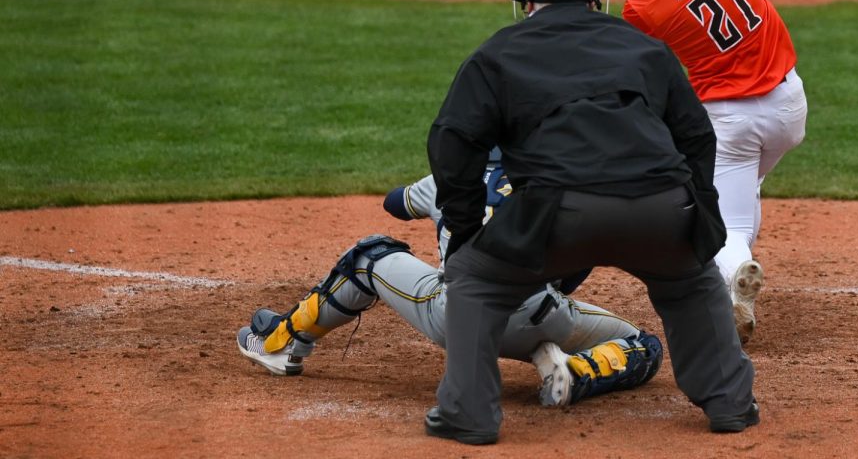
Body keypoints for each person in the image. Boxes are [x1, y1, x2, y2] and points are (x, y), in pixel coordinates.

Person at [424, 0, 757, 445]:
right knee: (691, 279)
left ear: (528, 6)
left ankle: (467, 414)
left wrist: (468, 228)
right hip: (661, 206)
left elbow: (451, 141)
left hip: (559, 213)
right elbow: (697, 134)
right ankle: (731, 403)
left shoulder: (498, 50)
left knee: (474, 278)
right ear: (596, 3)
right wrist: (698, 214)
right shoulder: (645, 47)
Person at [234, 150, 663, 409]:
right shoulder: (558, 184)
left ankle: (284, 342)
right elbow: (581, 263)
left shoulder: (449, 180)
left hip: (458, 317)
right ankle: (575, 371)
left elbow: (394, 204)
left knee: (369, 256)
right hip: (542, 315)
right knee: (644, 344)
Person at [599, 0, 808, 345]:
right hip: (790, 107)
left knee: (722, 219)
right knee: (746, 186)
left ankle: (735, 274)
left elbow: (630, 52)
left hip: (730, 122)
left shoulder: (643, 5)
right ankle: (739, 260)